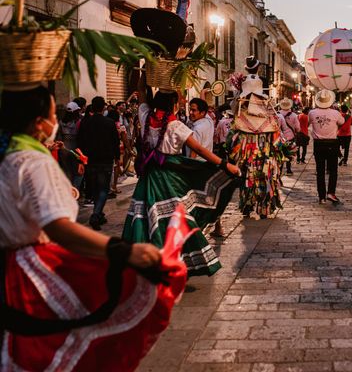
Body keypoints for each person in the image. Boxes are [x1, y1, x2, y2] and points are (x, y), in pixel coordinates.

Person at [0, 86, 188, 371]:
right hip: (24, 272)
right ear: (39, 123)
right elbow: (60, 228)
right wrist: (122, 250)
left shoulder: (8, 155)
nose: (57, 121)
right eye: (54, 114)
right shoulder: (32, 162)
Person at [122, 72, 240, 276]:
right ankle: (174, 260)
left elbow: (141, 91)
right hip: (169, 178)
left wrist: (146, 67)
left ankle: (145, 260)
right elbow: (202, 150)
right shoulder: (176, 126)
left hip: (149, 177)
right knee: (178, 219)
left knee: (145, 216)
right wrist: (225, 165)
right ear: (174, 106)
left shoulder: (145, 117)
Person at [227, 56, 289, 219]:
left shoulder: (242, 83)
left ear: (247, 69)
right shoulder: (264, 80)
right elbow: (267, 99)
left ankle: (247, 204)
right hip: (265, 126)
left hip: (244, 123)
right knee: (266, 170)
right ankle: (264, 206)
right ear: (258, 68)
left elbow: (235, 106)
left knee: (246, 167)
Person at [77, 96, 120, 230]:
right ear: (103, 108)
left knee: (95, 188)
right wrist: (117, 157)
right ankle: (96, 214)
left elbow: (81, 142)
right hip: (105, 159)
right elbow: (115, 142)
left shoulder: (85, 123)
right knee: (103, 189)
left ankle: (99, 213)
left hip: (90, 160)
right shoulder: (109, 123)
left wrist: (81, 159)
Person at [309, 89, 344, 203]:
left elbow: (309, 123)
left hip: (318, 144)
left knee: (320, 171)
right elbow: (342, 122)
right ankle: (331, 193)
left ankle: (321, 197)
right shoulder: (335, 113)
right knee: (333, 170)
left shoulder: (312, 113)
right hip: (332, 143)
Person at [277, 98, 300, 175]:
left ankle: (279, 169)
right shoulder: (294, 115)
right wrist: (296, 132)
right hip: (290, 137)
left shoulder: (277, 114)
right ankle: (288, 169)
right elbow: (297, 127)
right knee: (289, 153)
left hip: (279, 137)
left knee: (280, 152)